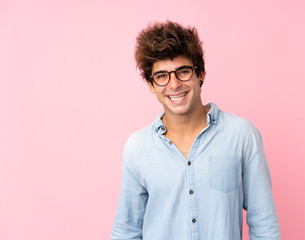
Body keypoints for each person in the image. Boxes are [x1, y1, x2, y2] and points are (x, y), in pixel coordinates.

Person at [111, 21, 281, 240]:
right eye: (162, 76)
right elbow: (126, 231)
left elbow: (264, 222)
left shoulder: (241, 135)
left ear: (200, 74)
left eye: (183, 72)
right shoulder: (137, 147)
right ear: (151, 85)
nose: (173, 85)